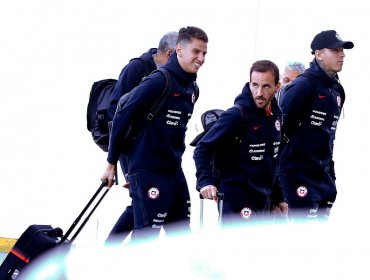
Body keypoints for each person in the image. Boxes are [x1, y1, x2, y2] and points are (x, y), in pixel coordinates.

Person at [101, 26, 208, 241]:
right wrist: (112, 163)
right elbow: (121, 116)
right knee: (146, 237)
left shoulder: (192, 88)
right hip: (147, 169)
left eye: (204, 53)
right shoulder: (159, 80)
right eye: (196, 52)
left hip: (173, 170)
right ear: (178, 50)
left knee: (181, 234)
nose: (201, 58)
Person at [104, 31, 179, 244]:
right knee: (141, 200)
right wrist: (116, 160)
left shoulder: (169, 75)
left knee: (141, 202)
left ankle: (109, 250)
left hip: (151, 150)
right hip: (131, 148)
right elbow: (115, 110)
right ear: (169, 52)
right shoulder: (137, 67)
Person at [193, 60, 288, 225]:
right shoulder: (236, 115)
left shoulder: (276, 117)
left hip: (263, 200)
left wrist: (279, 198)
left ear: (277, 87)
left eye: (266, 86)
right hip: (236, 200)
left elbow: (272, 161)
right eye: (255, 85)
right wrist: (205, 181)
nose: (259, 92)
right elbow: (202, 147)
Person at [278, 30, 354, 222]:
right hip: (297, 178)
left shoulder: (337, 90)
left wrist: (331, 174)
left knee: (319, 241)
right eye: (336, 50)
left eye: (342, 50)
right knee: (302, 240)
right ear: (318, 54)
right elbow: (278, 131)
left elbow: (330, 136)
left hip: (323, 180)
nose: (342, 54)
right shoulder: (303, 85)